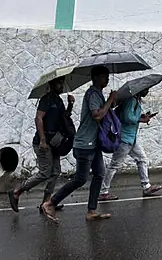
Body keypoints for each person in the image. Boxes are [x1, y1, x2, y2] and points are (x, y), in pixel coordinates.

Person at [41, 66, 117, 222]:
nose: (107, 79)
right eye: (104, 76)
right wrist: (110, 100)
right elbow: (97, 115)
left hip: (93, 144)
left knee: (99, 174)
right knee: (80, 179)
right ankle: (50, 203)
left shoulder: (98, 94)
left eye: (107, 76)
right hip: (84, 144)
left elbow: (102, 113)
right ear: (95, 78)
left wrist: (111, 102)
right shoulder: (92, 94)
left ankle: (91, 211)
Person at [8, 76, 74, 213]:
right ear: (52, 84)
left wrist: (70, 105)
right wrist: (43, 140)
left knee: (55, 172)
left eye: (62, 82)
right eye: (58, 82)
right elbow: (38, 118)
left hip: (55, 143)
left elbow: (64, 117)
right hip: (43, 142)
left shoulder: (59, 100)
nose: (61, 85)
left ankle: (46, 203)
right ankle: (17, 191)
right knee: (45, 172)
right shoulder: (47, 99)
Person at [99, 89, 162, 201]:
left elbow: (130, 116)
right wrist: (141, 120)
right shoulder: (131, 100)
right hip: (125, 138)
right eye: (146, 89)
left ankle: (146, 186)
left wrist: (142, 116)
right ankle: (103, 192)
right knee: (114, 165)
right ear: (140, 89)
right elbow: (127, 118)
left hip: (131, 138)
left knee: (142, 159)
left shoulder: (135, 100)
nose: (147, 91)